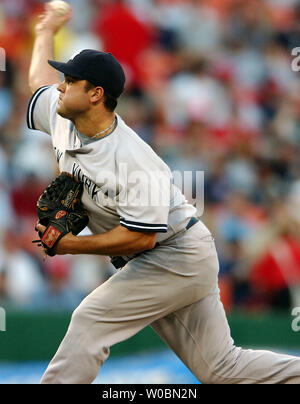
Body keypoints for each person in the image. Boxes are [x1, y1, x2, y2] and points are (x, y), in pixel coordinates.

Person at [28, 3, 300, 384]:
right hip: (167, 257)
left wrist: (71, 246)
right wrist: (44, 32)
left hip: (175, 254)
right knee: (222, 370)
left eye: (70, 81)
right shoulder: (61, 116)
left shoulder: (135, 160)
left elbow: (142, 236)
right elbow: (36, 83)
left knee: (90, 320)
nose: (60, 87)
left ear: (95, 94)